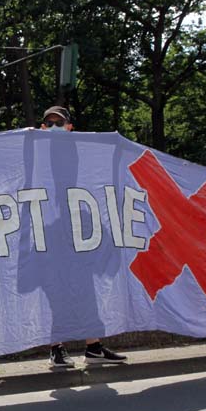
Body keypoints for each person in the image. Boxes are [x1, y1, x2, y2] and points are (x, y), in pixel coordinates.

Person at [39, 105, 128, 369]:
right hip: (48, 228)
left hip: (78, 227)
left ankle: (93, 347)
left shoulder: (82, 149)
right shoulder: (34, 148)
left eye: (59, 123)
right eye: (49, 123)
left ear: (69, 127)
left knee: (87, 288)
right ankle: (56, 348)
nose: (55, 127)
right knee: (57, 291)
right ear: (43, 128)